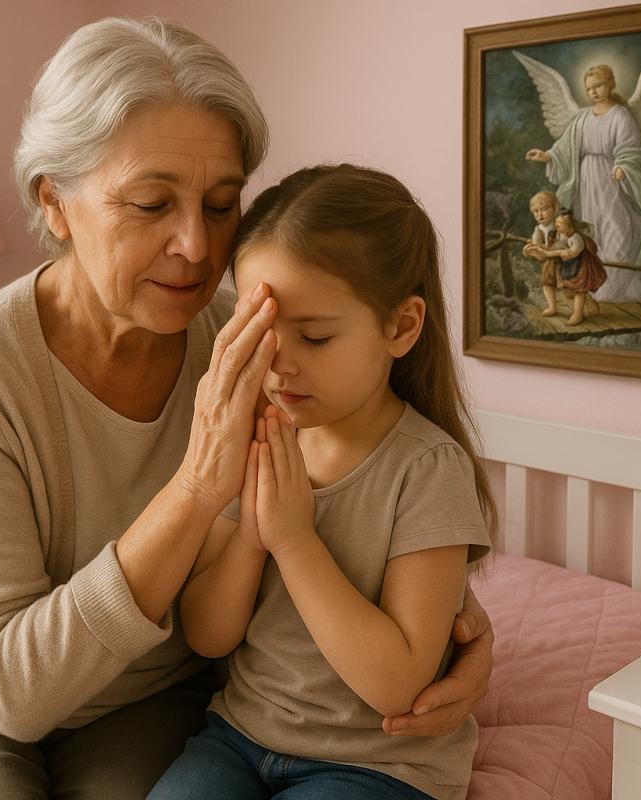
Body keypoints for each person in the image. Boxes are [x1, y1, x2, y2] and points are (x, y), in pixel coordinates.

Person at [0, 18, 494, 800]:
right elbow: (11, 691)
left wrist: (458, 632)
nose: (196, 246)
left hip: (150, 695)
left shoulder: (263, 342)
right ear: (55, 201)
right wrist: (198, 486)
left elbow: (366, 495)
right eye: (150, 203)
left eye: (222, 205)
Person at [147, 165, 496, 800]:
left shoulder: (426, 469)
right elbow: (209, 636)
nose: (278, 365)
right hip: (240, 736)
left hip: (375, 762)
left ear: (400, 327)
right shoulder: (258, 437)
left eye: (313, 337)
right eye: (261, 335)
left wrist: (294, 541)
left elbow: (398, 686)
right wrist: (251, 538)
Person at [525, 64, 641, 302]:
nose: (593, 92)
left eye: (598, 86)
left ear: (610, 84)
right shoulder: (582, 117)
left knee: (617, 231)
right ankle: (588, 287)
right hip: (586, 184)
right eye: (589, 88)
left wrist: (623, 165)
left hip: (613, 183)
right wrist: (547, 156)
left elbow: (632, 148)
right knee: (591, 232)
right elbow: (565, 147)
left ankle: (614, 290)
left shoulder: (621, 115)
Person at [537, 208, 607, 326]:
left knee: (579, 289)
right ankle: (552, 307)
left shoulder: (577, 239)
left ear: (570, 226)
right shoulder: (559, 234)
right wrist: (540, 249)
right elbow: (554, 247)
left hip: (581, 266)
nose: (556, 225)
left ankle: (578, 314)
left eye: (560, 224)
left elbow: (569, 254)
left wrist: (549, 253)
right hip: (566, 265)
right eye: (556, 223)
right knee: (556, 284)